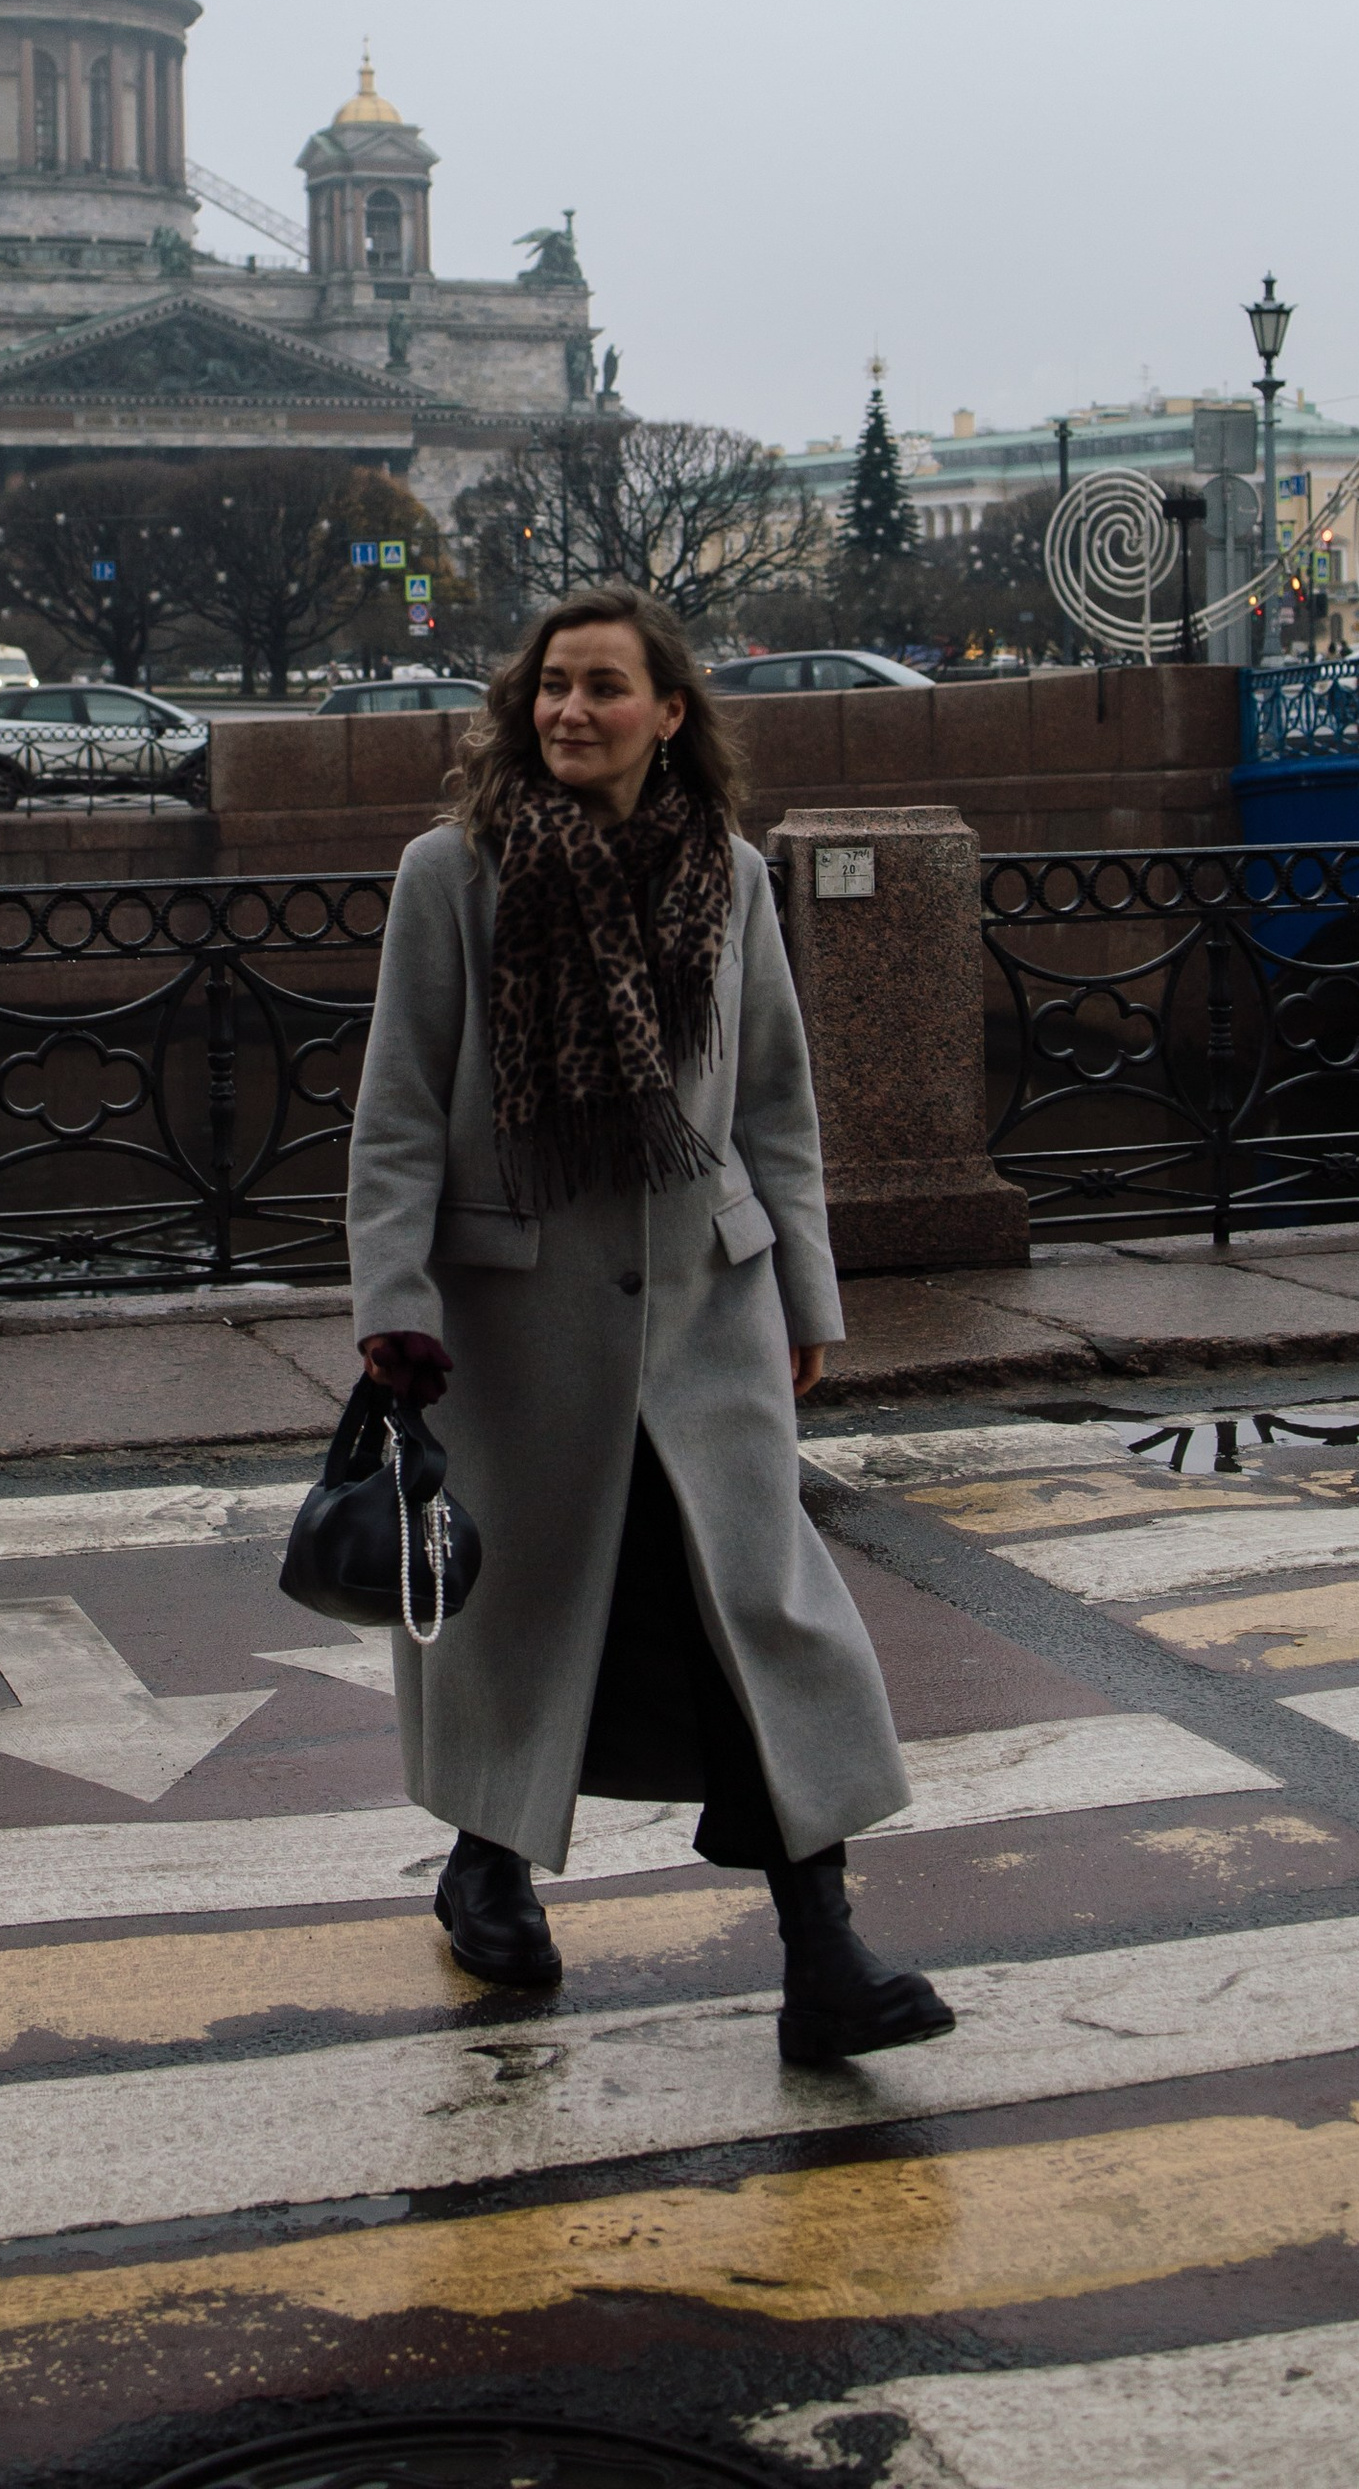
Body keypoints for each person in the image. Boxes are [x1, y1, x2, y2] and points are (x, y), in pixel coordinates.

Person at [344, 580, 953, 2064]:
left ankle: (827, 1953)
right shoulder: (455, 874)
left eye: (605, 688)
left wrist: (808, 1293)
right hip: (517, 1327)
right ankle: (489, 1865)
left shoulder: (731, 876)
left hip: (707, 1312)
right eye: (553, 686)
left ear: (668, 714)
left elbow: (773, 1107)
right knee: (536, 1618)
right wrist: (393, 1310)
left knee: (763, 1624)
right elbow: (399, 1117)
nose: (571, 711)